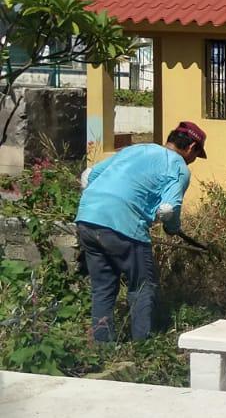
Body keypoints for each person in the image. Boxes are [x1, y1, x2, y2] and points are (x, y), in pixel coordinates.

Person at [75, 121, 207, 343]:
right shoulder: (178, 167)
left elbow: (89, 176)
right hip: (123, 225)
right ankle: (141, 345)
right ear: (192, 147)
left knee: (103, 286)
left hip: (87, 219)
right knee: (143, 285)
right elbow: (168, 208)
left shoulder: (136, 149)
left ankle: (102, 346)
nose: (193, 161)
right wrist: (172, 228)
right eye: (196, 155)